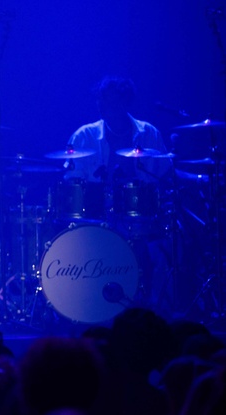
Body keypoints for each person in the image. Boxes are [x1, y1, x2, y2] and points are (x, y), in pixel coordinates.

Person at [64, 76, 175, 310]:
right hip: (95, 218)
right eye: (100, 99)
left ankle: (149, 306)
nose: (102, 105)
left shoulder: (149, 134)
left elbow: (165, 175)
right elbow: (72, 183)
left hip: (142, 218)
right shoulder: (84, 136)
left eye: (108, 100)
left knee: (158, 256)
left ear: (125, 102)